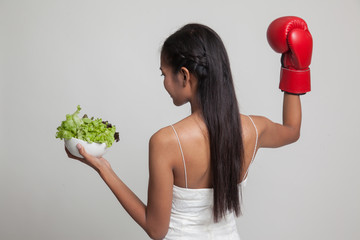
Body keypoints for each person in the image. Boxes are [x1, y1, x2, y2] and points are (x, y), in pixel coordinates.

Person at [65, 17, 312, 240]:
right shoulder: (253, 128)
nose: (164, 82)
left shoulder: (165, 141)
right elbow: (292, 129)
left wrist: (104, 169)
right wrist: (295, 69)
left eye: (164, 74)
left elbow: (155, 229)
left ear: (184, 75)